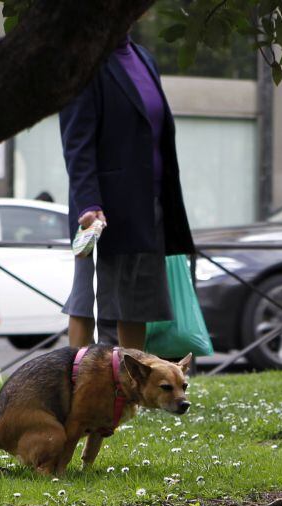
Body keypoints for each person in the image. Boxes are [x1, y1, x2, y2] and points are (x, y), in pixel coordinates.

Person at [59, 33, 194, 350]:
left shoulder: (144, 58)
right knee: (87, 300)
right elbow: (77, 144)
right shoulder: (85, 61)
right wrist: (88, 203)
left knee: (138, 304)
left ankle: (130, 389)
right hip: (102, 210)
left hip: (149, 206)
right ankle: (75, 384)